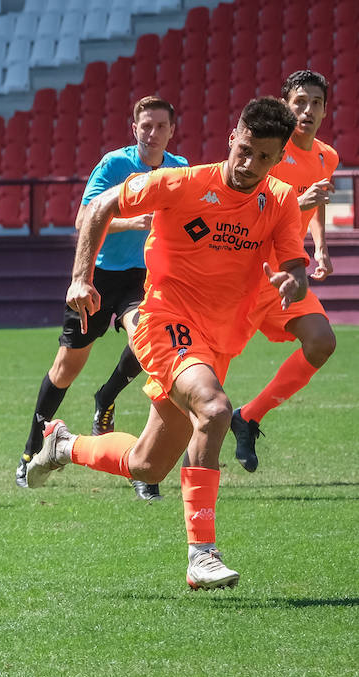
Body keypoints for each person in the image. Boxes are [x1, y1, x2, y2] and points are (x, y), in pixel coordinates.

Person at [25, 97, 308, 590]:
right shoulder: (185, 182)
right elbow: (99, 206)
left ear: (279, 156)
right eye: (244, 150)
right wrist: (79, 277)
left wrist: (293, 284)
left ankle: (62, 445)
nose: (249, 165)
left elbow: (293, 263)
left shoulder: (279, 199)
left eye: (264, 157)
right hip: (164, 320)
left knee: (147, 463)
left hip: (217, 340)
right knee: (216, 410)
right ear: (231, 136)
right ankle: (202, 554)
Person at [15, 96, 187, 501]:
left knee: (151, 347)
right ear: (134, 128)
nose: (152, 133)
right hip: (99, 276)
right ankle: (30, 450)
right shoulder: (114, 165)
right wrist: (135, 222)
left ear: (172, 131)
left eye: (160, 126)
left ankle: (144, 461)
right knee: (67, 367)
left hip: (144, 277)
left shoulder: (181, 169)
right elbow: (83, 219)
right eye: (145, 125)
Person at [228, 70, 339, 472]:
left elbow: (317, 200)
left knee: (321, 341)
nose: (307, 110)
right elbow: (250, 201)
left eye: (316, 103)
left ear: (326, 110)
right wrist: (299, 198)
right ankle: (178, 459)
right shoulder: (268, 148)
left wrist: (321, 246)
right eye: (300, 102)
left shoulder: (327, 156)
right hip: (243, 272)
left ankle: (249, 416)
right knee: (205, 375)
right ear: (286, 104)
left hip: (286, 275)